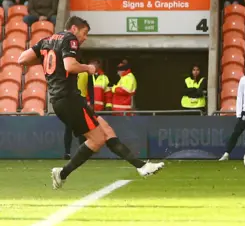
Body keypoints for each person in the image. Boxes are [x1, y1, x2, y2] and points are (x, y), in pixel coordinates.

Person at [17, 16, 164, 189]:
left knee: (106, 130)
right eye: (84, 33)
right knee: (96, 140)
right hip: (68, 98)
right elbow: (70, 66)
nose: (85, 38)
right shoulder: (69, 39)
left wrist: (44, 58)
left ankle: (142, 166)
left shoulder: (47, 40)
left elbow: (22, 59)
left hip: (63, 99)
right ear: (74, 29)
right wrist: (88, 68)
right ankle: (62, 173)